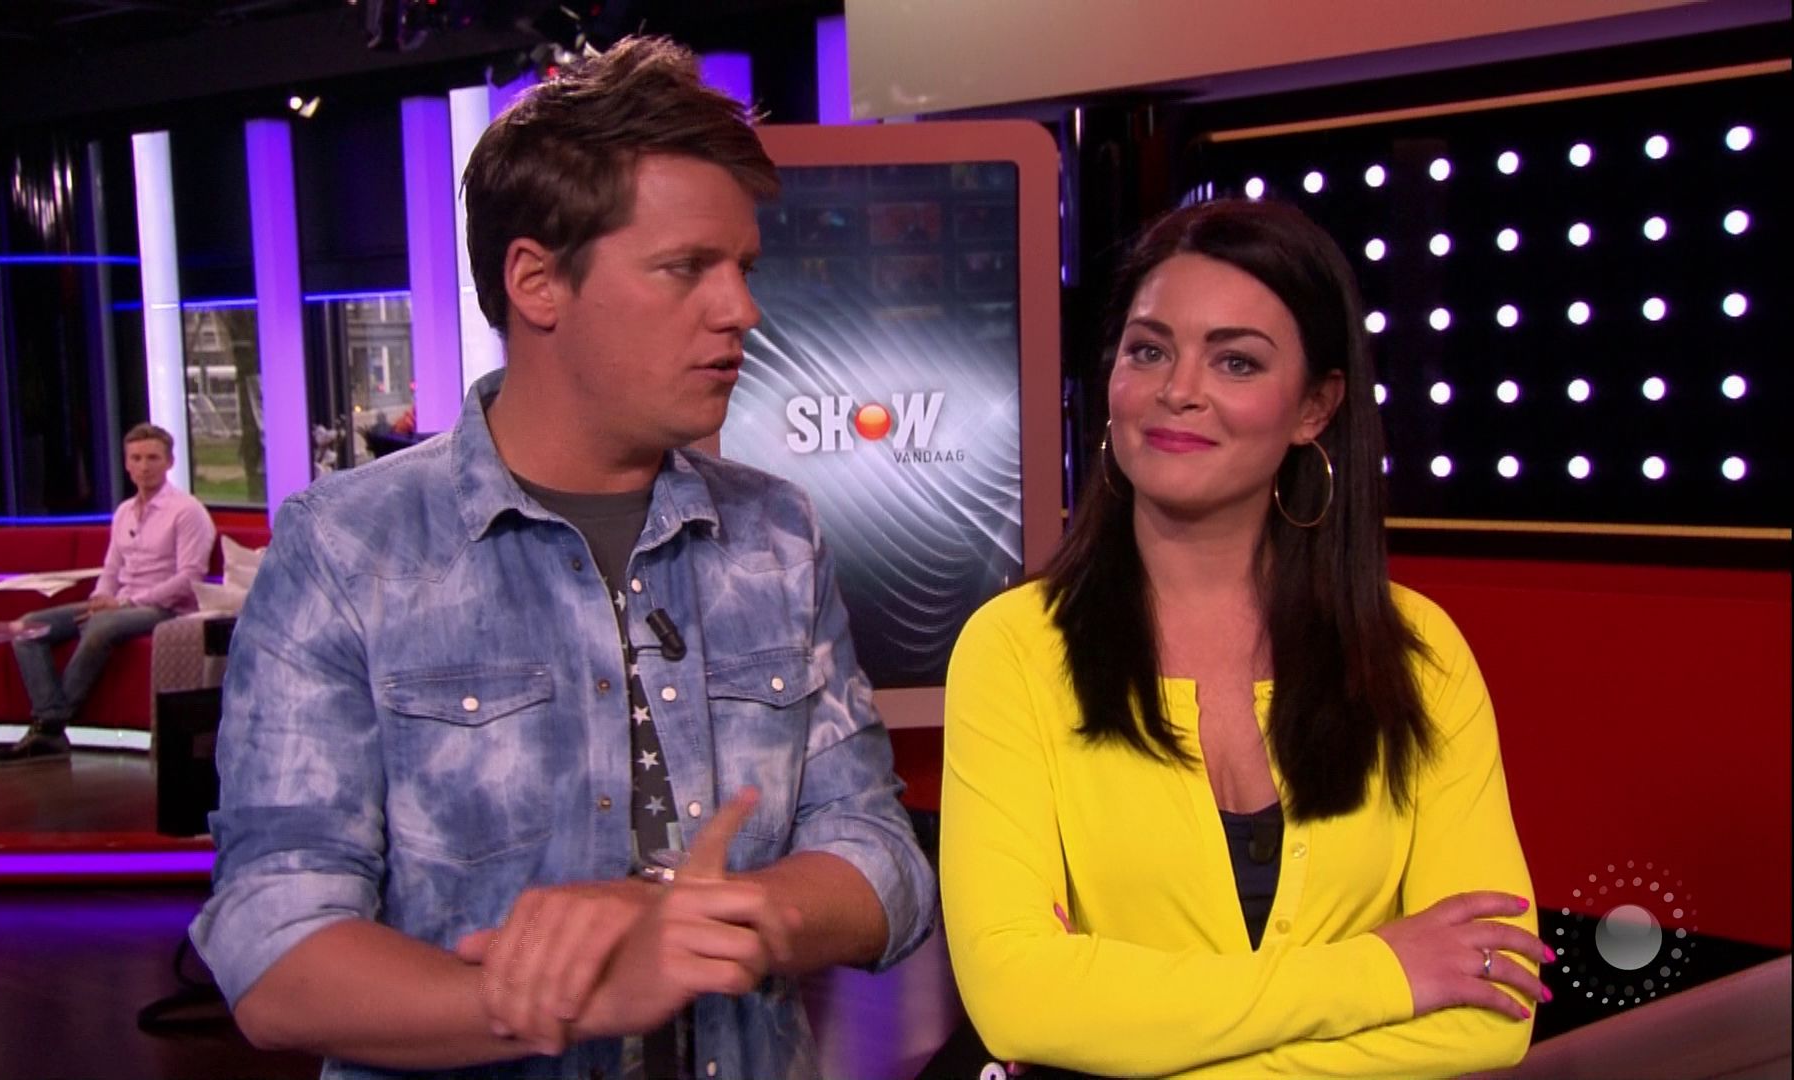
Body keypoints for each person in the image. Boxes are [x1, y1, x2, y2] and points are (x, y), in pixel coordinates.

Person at [192, 36, 936, 1080]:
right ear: (538, 282)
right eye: (687, 268)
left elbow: (881, 863)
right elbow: (276, 952)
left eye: (744, 268)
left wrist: (709, 918)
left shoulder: (777, 535)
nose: (742, 310)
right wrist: (565, 998)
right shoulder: (346, 550)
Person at [937, 199, 1544, 1077]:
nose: (1178, 389)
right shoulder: (1016, 648)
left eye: (1236, 361)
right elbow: (1019, 999)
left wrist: (1128, 1047)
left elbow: (1492, 1009)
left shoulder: (1418, 653)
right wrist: (1381, 972)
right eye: (1149, 350)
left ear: (1315, 407)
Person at [0, 422, 215, 765]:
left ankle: (49, 726)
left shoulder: (187, 511)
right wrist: (100, 598)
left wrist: (123, 603)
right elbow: (111, 569)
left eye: (152, 458)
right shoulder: (124, 512)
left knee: (101, 626)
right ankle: (51, 720)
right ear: (126, 464)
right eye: (136, 458)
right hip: (120, 603)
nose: (144, 466)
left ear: (169, 462)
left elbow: (189, 579)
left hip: (165, 608)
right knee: (26, 629)